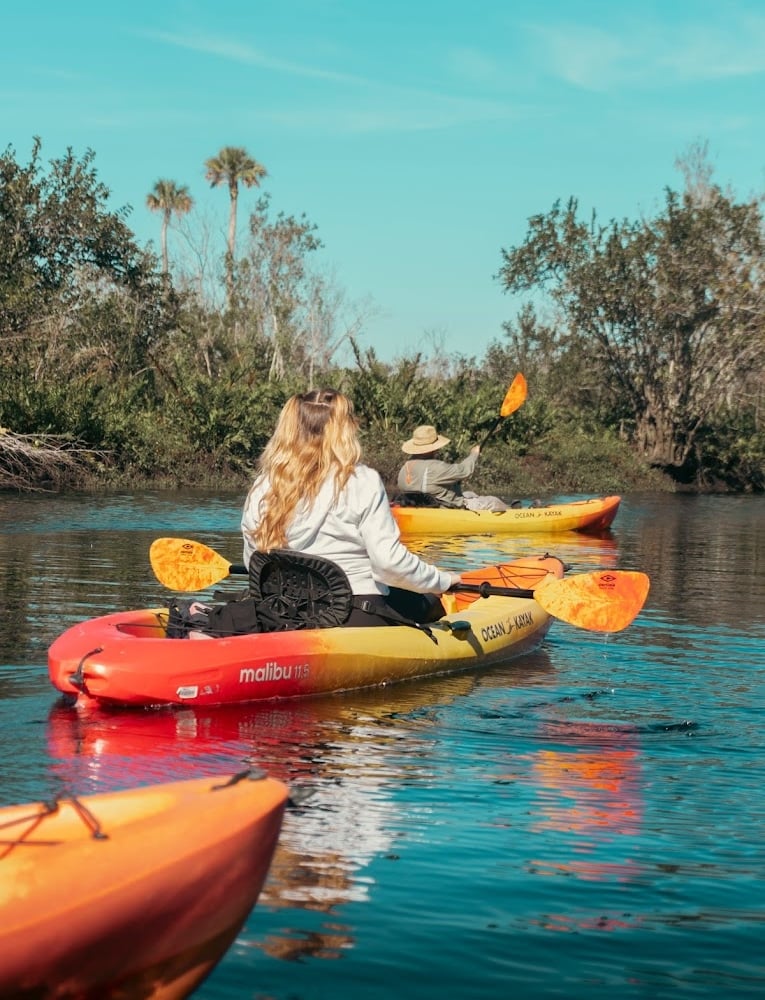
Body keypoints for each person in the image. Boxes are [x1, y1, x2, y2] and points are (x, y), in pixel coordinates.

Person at [240, 389, 462, 627]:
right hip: (354, 613)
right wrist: (442, 580)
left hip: (283, 612)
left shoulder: (264, 485)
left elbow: (252, 560)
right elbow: (389, 564)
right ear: (344, 431)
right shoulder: (362, 481)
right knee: (431, 602)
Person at [397, 424, 508, 512]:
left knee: (470, 494)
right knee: (494, 501)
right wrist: (474, 454)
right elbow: (465, 471)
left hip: (419, 505)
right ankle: (517, 515)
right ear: (433, 448)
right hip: (445, 508)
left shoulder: (404, 467)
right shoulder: (435, 467)